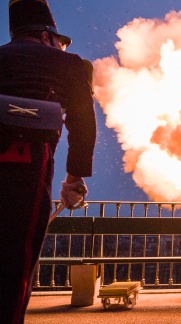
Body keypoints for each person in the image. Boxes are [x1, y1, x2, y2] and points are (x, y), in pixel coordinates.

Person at [0, 0, 96, 322]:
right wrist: (73, 179)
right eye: (59, 41)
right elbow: (83, 122)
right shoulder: (68, 63)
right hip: (27, 163)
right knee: (17, 261)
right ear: (45, 36)